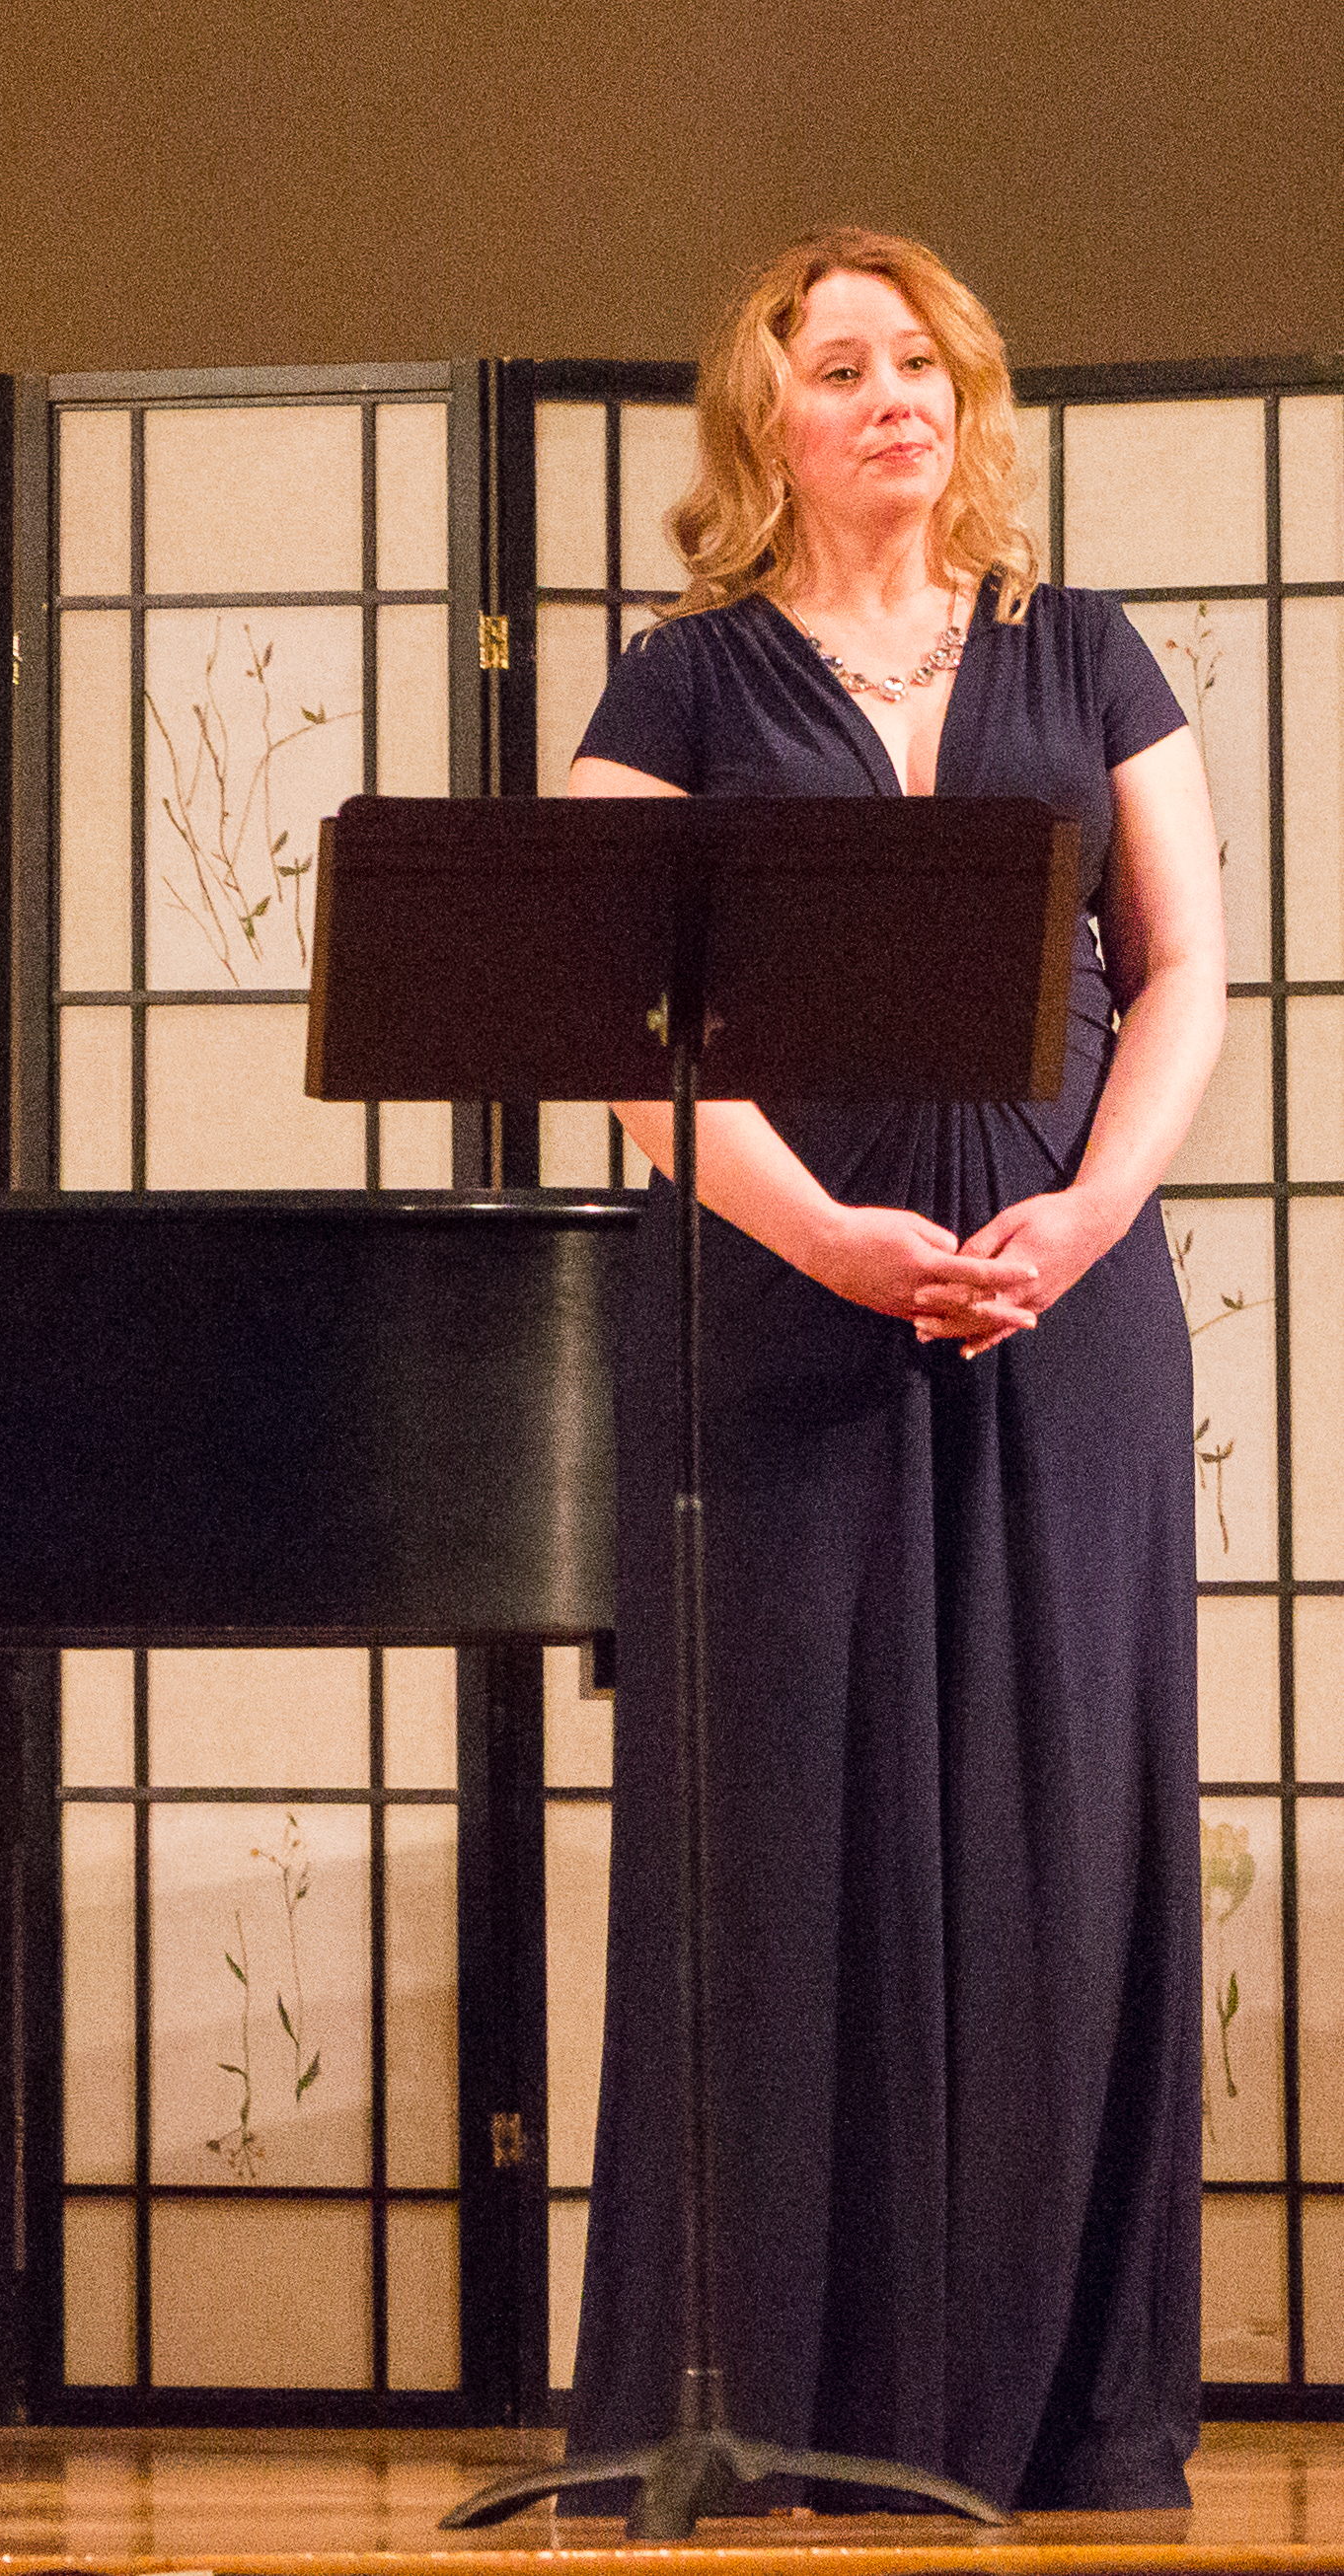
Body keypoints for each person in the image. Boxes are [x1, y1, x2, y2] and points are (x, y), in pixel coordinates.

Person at [560, 228, 1225, 2512]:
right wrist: (824, 1234)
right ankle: (770, 2407)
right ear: (766, 421)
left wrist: (1088, 1210)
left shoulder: (1084, 651)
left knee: (1059, 1830)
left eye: (920, 358)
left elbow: (1183, 973)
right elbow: (609, 1028)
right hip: (777, 1309)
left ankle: (1059, 2407)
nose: (890, 394)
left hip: (1064, 1304)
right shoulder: (678, 686)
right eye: (837, 363)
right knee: (782, 1840)